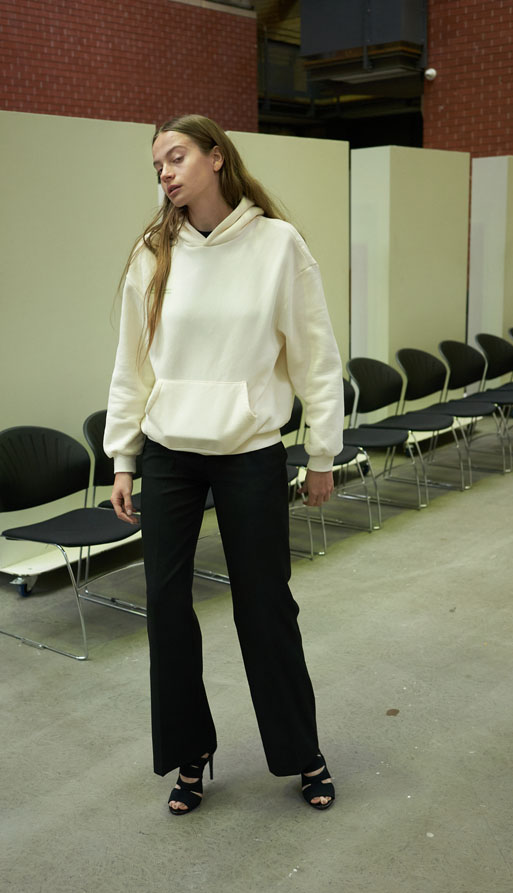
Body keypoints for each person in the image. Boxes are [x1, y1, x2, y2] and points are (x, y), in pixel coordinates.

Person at [104, 115, 344, 816]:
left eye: (176, 157)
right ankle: (191, 752)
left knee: (265, 605)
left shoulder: (277, 244)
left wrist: (322, 450)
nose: (165, 173)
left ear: (216, 157)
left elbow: (315, 353)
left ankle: (302, 752)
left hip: (250, 451)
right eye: (157, 165)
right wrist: (123, 457)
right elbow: (132, 363)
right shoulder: (154, 252)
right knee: (165, 607)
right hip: (170, 453)